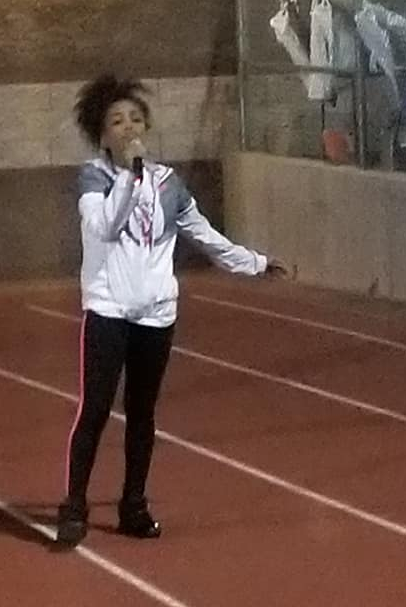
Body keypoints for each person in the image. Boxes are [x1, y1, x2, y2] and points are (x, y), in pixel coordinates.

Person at [55, 74, 288, 548]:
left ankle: (133, 505)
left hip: (156, 313)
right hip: (108, 308)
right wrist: (129, 175)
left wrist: (255, 263)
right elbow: (104, 227)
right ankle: (74, 506)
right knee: (96, 408)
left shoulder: (168, 184)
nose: (128, 127)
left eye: (135, 119)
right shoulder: (94, 179)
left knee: (142, 413)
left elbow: (204, 235)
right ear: (102, 134)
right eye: (116, 121)